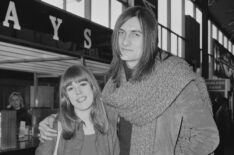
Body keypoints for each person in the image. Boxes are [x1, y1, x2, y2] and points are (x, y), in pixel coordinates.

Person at [38, 6, 219, 155]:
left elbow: (208, 137)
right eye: (121, 33)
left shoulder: (176, 79)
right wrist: (54, 120)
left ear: (149, 39)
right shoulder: (114, 84)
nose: (125, 41)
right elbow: (93, 114)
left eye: (135, 34)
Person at [35, 65, 119, 155]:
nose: (78, 92)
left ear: (92, 87)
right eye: (70, 88)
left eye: (82, 84)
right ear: (67, 96)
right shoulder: (55, 127)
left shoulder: (108, 128)